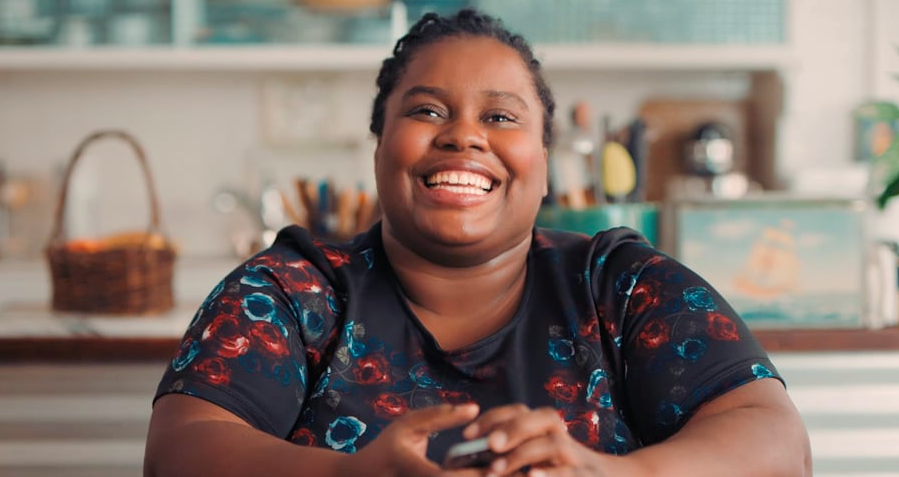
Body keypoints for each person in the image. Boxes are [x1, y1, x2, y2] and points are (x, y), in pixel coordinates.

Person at [144, 8, 811, 477]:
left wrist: (611, 473)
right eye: (426, 110)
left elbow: (777, 443)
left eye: (499, 116)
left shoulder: (621, 285)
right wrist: (352, 475)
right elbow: (179, 451)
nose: (464, 135)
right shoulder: (292, 290)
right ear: (380, 148)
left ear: (543, 164)